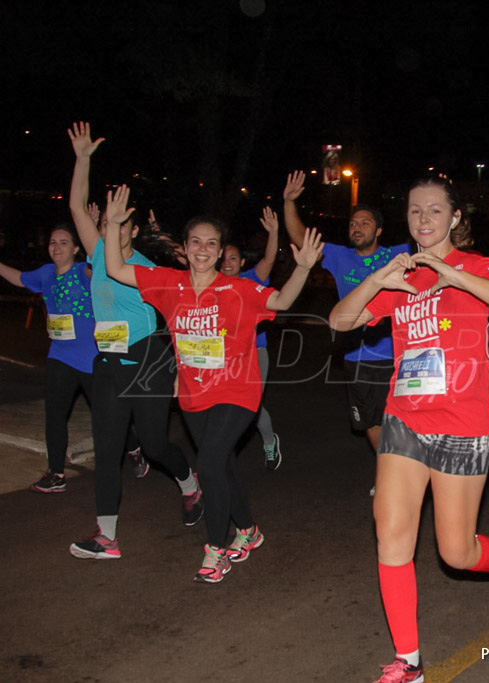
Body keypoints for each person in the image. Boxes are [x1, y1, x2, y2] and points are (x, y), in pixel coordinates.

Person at [328, 173, 489, 683]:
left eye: (435, 211)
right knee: (391, 536)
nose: (423, 219)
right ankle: (409, 663)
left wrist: (452, 274)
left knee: (456, 552)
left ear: (455, 218)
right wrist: (378, 281)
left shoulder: (475, 266)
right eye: (415, 211)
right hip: (404, 417)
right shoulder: (397, 276)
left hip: (464, 421)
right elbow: (339, 321)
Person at [102, 184, 323, 583]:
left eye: (212, 244)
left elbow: (282, 302)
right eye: (196, 242)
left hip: (238, 391)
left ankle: (215, 550)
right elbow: (116, 269)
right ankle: (250, 532)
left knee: (207, 464)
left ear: (221, 252)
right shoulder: (168, 283)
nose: (203, 249)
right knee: (223, 465)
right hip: (192, 395)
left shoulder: (239, 289)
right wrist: (113, 226)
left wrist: (304, 267)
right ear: (185, 248)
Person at [66, 123, 202, 560]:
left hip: (146, 361)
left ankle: (190, 484)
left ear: (130, 229)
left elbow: (181, 311)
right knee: (108, 450)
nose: (109, 230)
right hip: (107, 362)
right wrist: (83, 159)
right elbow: (74, 205)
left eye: (118, 225)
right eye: (104, 223)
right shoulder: (95, 255)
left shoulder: (142, 268)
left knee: (156, 444)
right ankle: (107, 536)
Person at [283, 171, 410, 495]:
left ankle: (396, 476)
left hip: (399, 354)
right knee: (369, 422)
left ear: (379, 230)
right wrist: (289, 203)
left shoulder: (397, 254)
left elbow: (433, 244)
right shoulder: (340, 257)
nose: (358, 227)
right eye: (354, 223)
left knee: (402, 419)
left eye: (365, 223)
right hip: (358, 355)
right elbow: (302, 240)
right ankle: (391, 470)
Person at [0, 226, 95, 493]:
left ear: (76, 249)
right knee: (54, 415)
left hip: (90, 357)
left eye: (64, 242)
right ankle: (56, 473)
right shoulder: (45, 273)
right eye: (53, 242)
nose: (56, 247)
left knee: (106, 413)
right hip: (60, 355)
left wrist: (94, 240)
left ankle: (133, 447)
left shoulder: (83, 272)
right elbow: (19, 279)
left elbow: (98, 270)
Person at [219, 206, 283, 470]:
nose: (227, 262)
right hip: (223, 353)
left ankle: (270, 442)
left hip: (255, 351)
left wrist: (274, 232)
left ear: (242, 262)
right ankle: (220, 449)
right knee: (223, 401)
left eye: (233, 258)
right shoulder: (210, 283)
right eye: (223, 258)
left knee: (252, 404)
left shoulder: (250, 279)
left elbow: (269, 259)